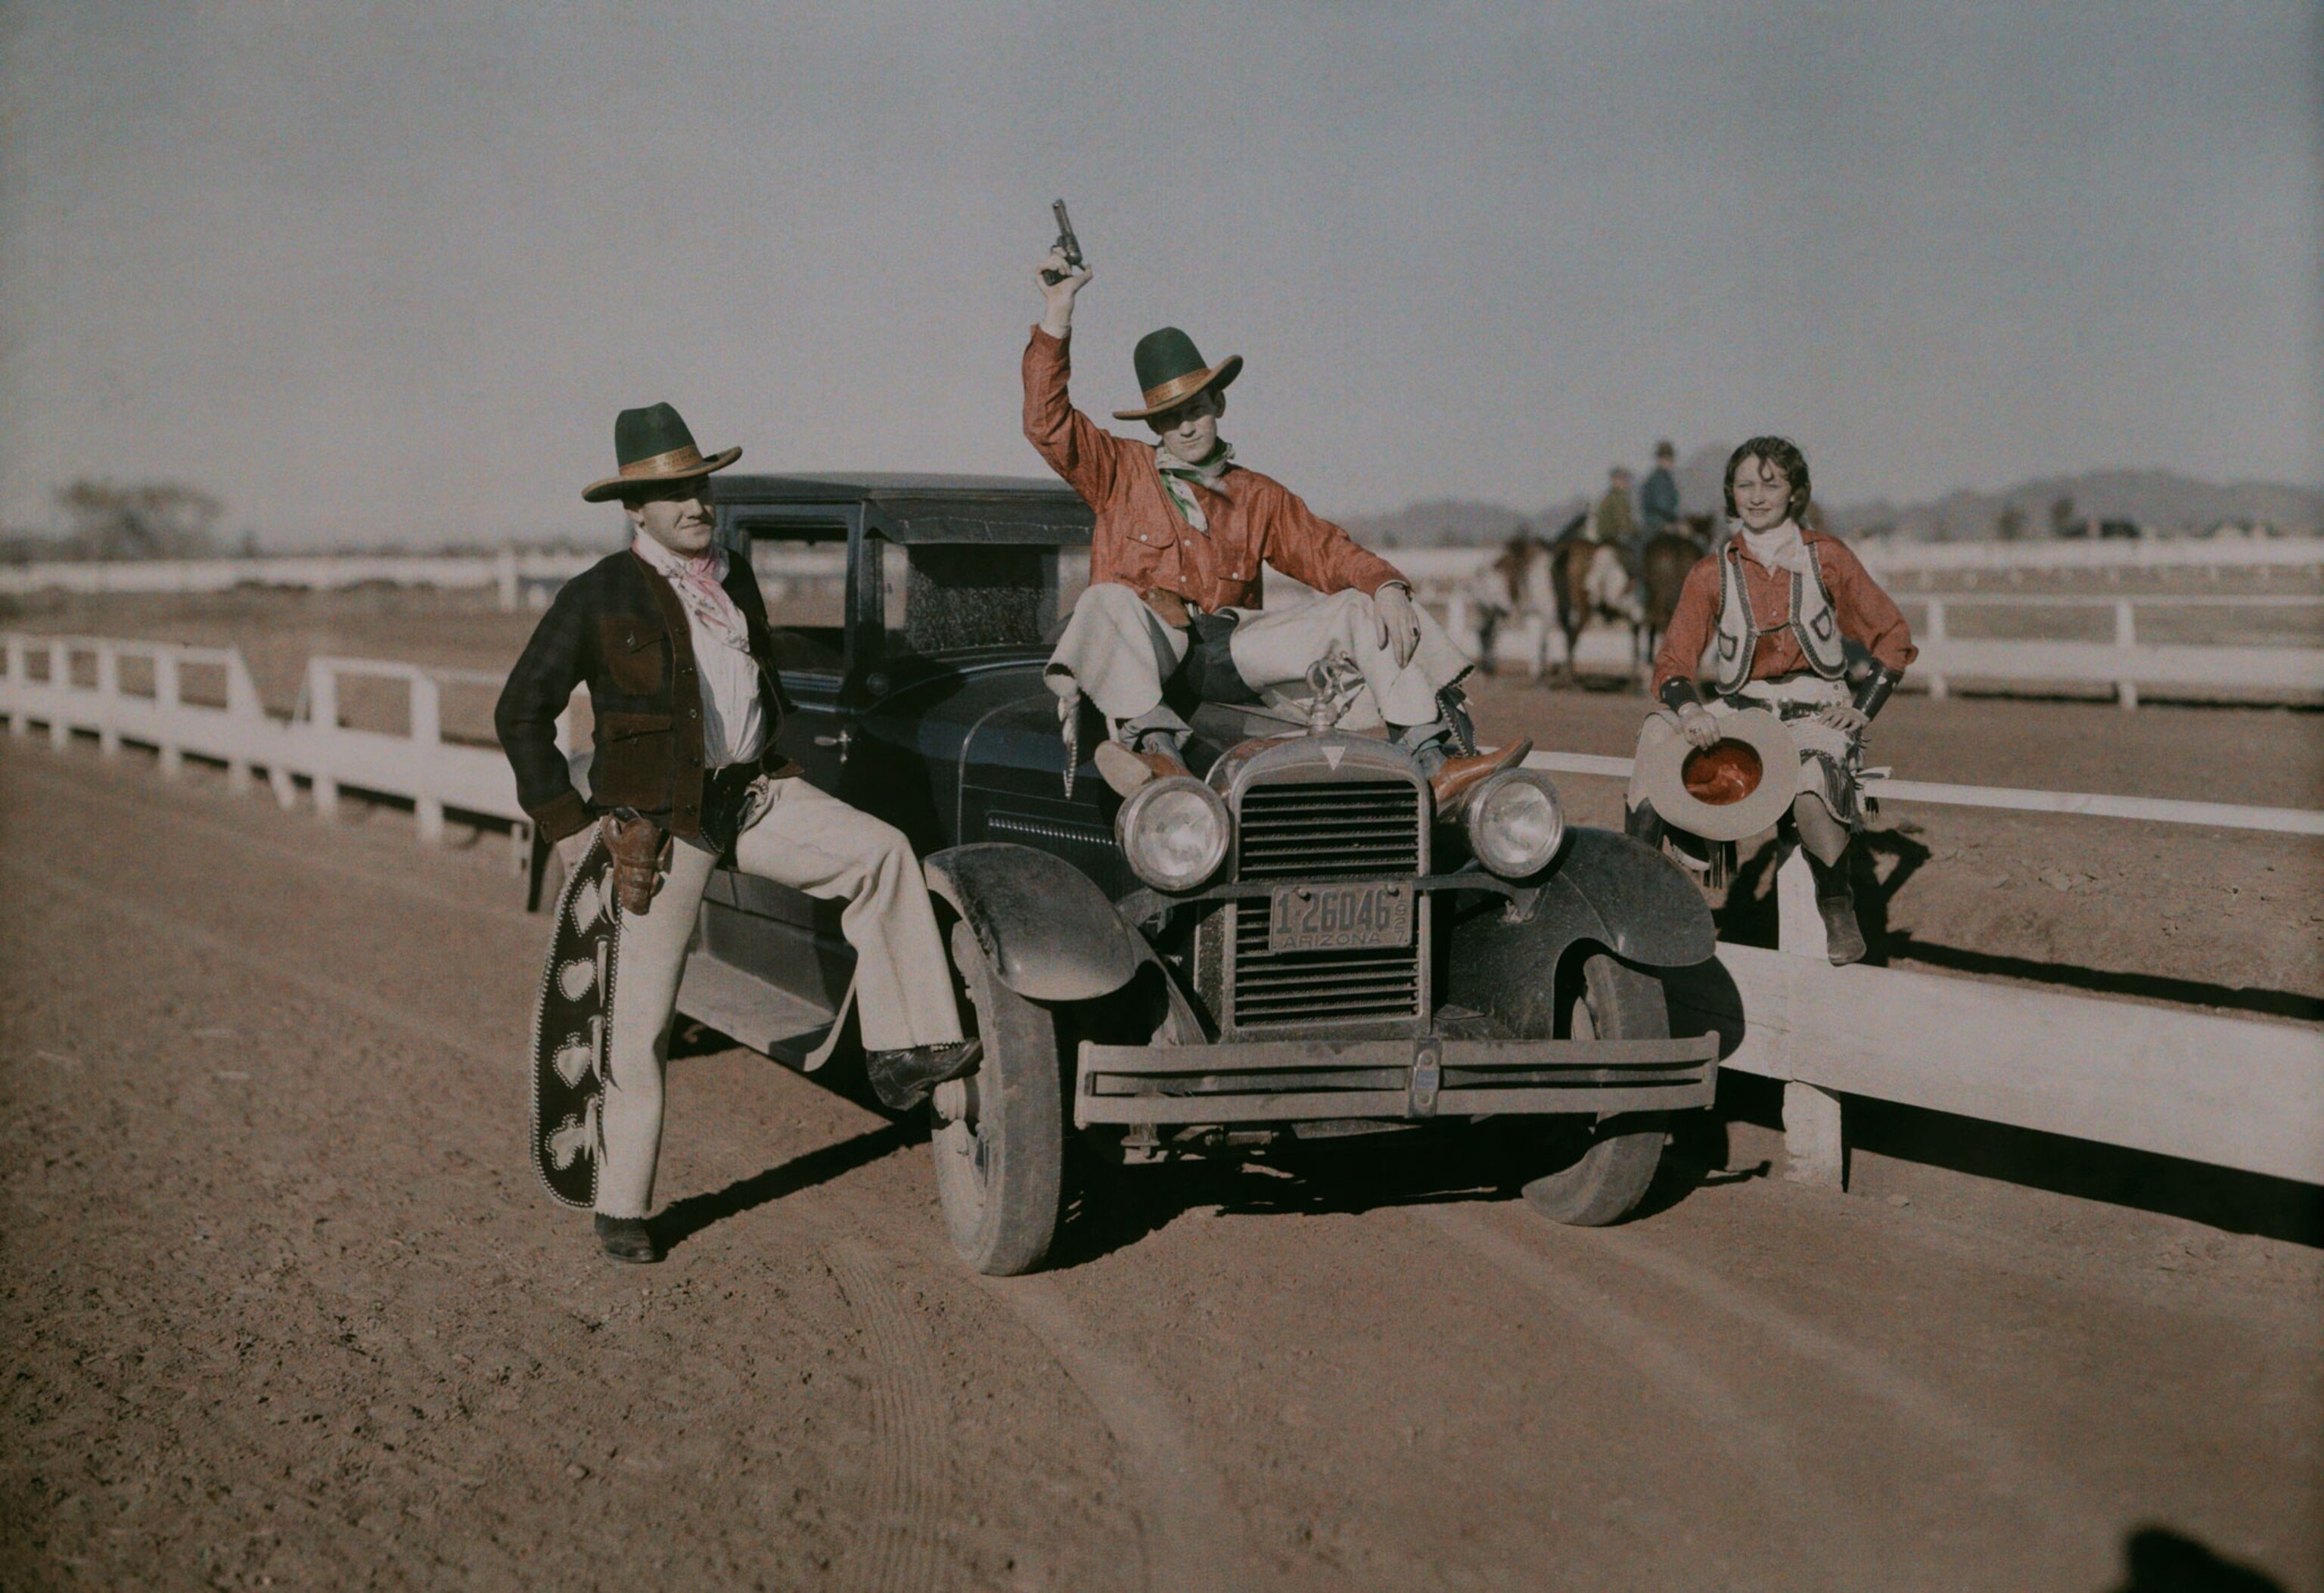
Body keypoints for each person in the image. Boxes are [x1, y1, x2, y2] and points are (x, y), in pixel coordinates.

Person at [495, 403, 976, 1264]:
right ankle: (623, 1206)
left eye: (697, 483)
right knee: (638, 1023)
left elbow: (757, 692)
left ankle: (909, 1050)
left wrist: (776, 759)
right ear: (632, 509)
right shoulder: (598, 594)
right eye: (668, 491)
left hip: (750, 797)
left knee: (884, 855)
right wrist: (569, 827)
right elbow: (519, 710)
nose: (692, 501)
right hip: (658, 826)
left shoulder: (734, 577)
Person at [1022, 245, 1527, 803]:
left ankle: (1434, 761)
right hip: (1152, 650)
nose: (1186, 428)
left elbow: (1326, 550)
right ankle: (1159, 757)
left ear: (1219, 404)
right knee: (1105, 600)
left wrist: (1384, 585)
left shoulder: (1257, 495)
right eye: (1169, 418)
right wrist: (1058, 311)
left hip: (1230, 650)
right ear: (1155, 425)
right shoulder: (1118, 469)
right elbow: (1047, 423)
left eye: (1195, 409)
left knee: (1365, 605)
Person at [1624, 436, 1915, 964]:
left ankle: (1836, 901)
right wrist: (1690, 710)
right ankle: (1639, 892)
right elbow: (1672, 663)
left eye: (1771, 484)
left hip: (1814, 707)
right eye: (1744, 486)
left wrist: (1861, 708)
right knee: (1655, 736)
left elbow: (1894, 637)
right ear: (1730, 495)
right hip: (1743, 709)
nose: (1757, 496)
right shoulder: (1710, 571)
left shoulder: (1828, 558)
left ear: (1795, 493)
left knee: (1810, 779)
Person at [1640, 441, 1681, 538]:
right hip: (1655, 523)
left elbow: (1673, 503)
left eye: (1669, 458)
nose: (1668, 461)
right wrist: (1665, 524)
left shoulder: (1669, 480)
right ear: (1659, 459)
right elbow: (1658, 505)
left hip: (1669, 522)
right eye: (1665, 458)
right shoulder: (1653, 480)